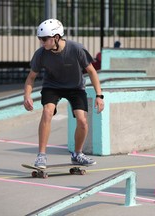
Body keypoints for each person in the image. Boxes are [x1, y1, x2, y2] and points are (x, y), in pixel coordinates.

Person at [23, 19, 104, 168]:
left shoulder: (76, 49)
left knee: (82, 121)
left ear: (56, 37)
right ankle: (41, 156)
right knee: (47, 112)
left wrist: (99, 95)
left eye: (45, 39)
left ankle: (77, 154)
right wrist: (26, 96)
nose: (42, 42)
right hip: (52, 86)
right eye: (40, 39)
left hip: (76, 87)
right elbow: (31, 77)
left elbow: (92, 71)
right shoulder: (41, 54)